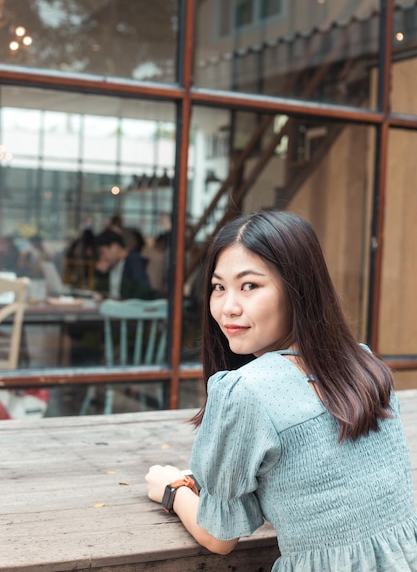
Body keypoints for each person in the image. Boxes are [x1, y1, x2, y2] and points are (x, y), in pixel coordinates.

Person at [145, 209, 417, 571]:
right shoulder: (364, 365)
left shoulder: (246, 391)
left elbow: (218, 537)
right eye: (218, 287)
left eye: (250, 286)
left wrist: (172, 489)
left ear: (298, 290)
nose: (228, 307)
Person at [95, 229, 153, 300]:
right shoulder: (111, 265)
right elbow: (102, 293)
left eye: (103, 253)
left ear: (114, 247)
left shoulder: (134, 261)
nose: (102, 257)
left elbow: (141, 291)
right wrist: (101, 273)